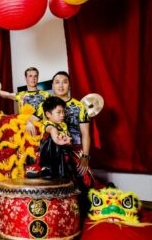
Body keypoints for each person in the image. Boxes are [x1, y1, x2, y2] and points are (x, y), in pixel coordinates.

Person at [51, 71, 95, 219]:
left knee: (85, 182)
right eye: (57, 82)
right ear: (52, 86)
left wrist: (85, 156)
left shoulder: (79, 107)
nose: (61, 85)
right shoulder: (47, 106)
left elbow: (86, 134)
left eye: (64, 81)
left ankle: (79, 217)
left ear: (69, 85)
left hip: (75, 149)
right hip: (54, 150)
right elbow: (34, 121)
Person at [0, 67, 51, 135]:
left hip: (42, 130)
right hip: (25, 130)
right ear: (26, 78)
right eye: (30, 76)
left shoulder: (46, 95)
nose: (33, 78)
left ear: (37, 78)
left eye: (35, 76)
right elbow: (7, 95)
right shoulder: (21, 95)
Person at [37, 96, 72, 178]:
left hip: (62, 153)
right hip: (49, 154)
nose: (62, 115)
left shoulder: (63, 125)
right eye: (59, 112)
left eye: (63, 112)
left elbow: (69, 142)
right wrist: (58, 139)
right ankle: (46, 167)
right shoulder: (48, 124)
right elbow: (52, 130)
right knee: (50, 140)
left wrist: (67, 141)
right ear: (48, 114)